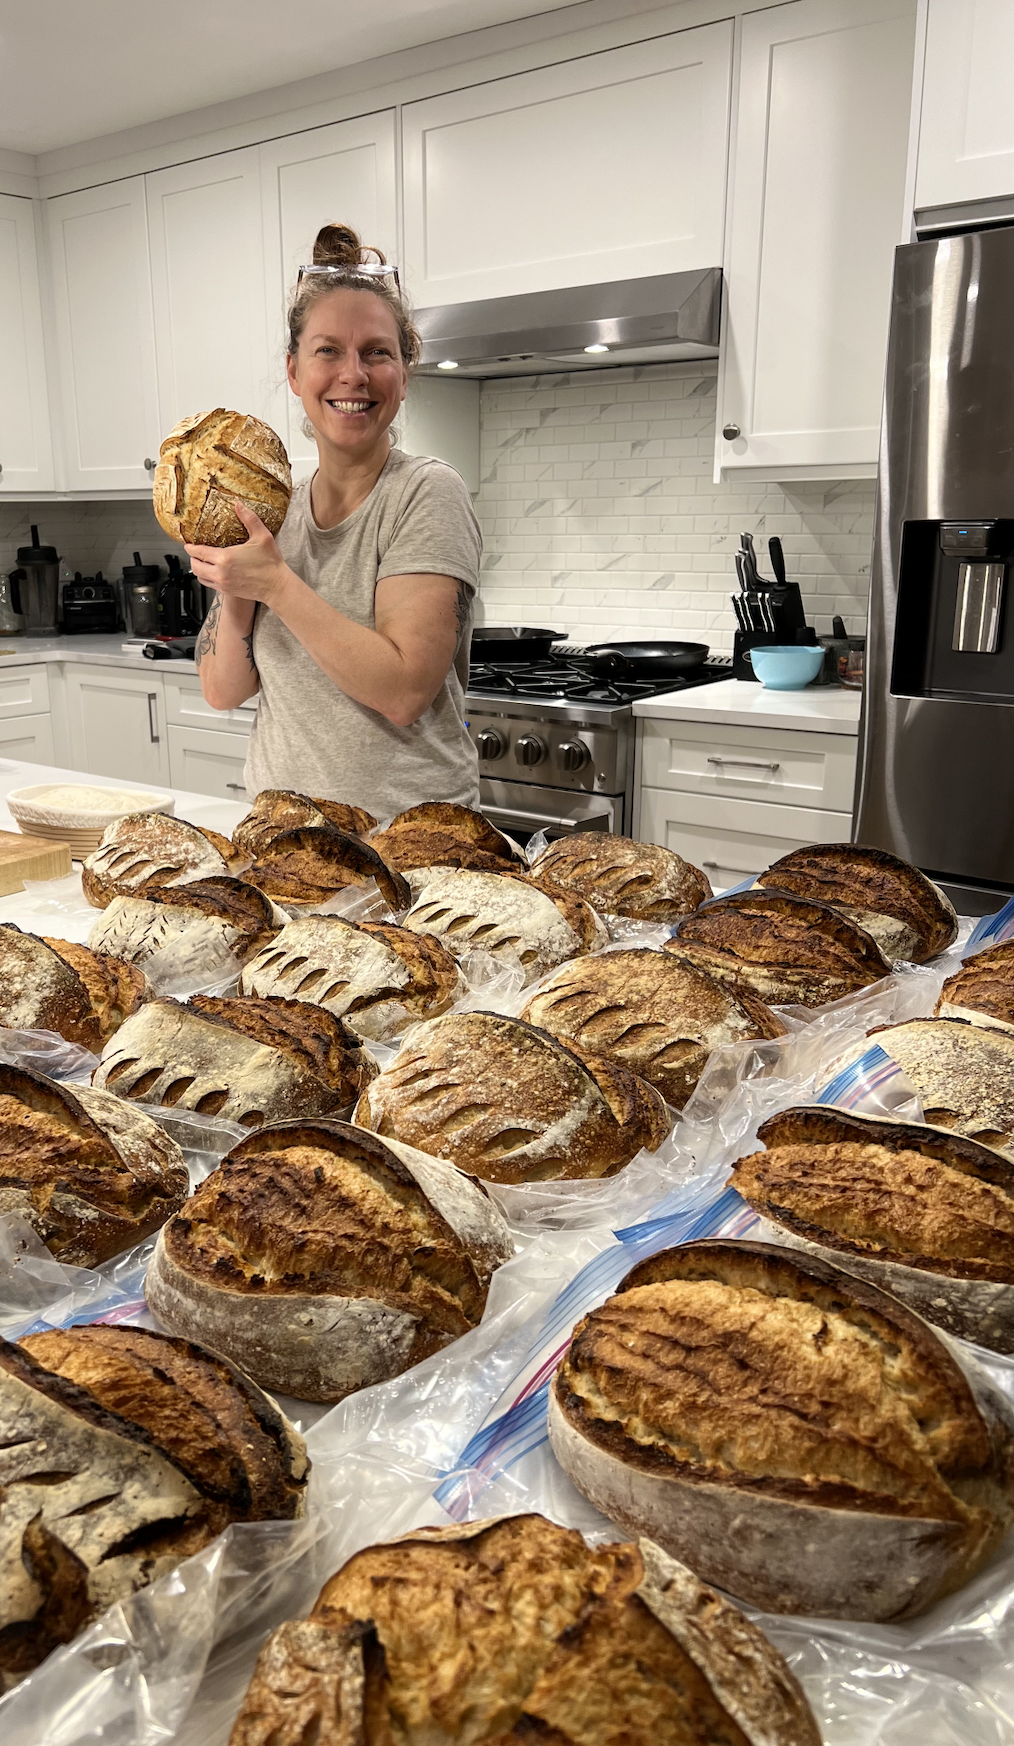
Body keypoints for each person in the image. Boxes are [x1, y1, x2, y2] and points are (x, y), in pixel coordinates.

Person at [186, 222, 481, 816]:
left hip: (406, 841)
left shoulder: (426, 493)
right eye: (328, 351)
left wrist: (275, 583)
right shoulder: (275, 508)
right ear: (294, 371)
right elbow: (223, 690)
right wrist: (240, 584)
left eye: (377, 352)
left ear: (404, 374)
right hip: (283, 835)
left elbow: (404, 692)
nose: (354, 374)